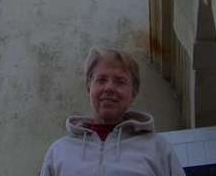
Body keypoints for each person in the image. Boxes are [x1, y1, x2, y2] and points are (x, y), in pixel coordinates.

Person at [39, 47, 185, 176]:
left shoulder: (157, 148)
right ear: (89, 88)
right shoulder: (59, 152)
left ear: (133, 93)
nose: (109, 88)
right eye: (101, 80)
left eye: (120, 81)